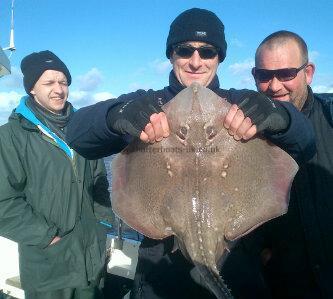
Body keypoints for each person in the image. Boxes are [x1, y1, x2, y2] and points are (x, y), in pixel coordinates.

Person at [66, 9, 316, 299]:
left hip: (237, 265)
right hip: (162, 279)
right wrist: (116, 116)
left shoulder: (241, 106)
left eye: (207, 52)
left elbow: (306, 141)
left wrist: (279, 115)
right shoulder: (147, 107)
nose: (196, 62)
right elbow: (78, 133)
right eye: (185, 50)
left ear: (219, 57)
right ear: (171, 54)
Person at [0, 50, 111, 299]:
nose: (58, 89)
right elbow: (3, 203)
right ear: (32, 89)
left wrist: (102, 223)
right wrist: (47, 236)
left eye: (63, 82)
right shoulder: (10, 136)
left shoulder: (84, 129)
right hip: (48, 266)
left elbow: (99, 180)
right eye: (48, 83)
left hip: (90, 259)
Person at [239, 30, 332, 299]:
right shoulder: (246, 135)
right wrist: (257, 252)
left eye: (287, 74)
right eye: (264, 76)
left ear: (309, 72)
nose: (275, 86)